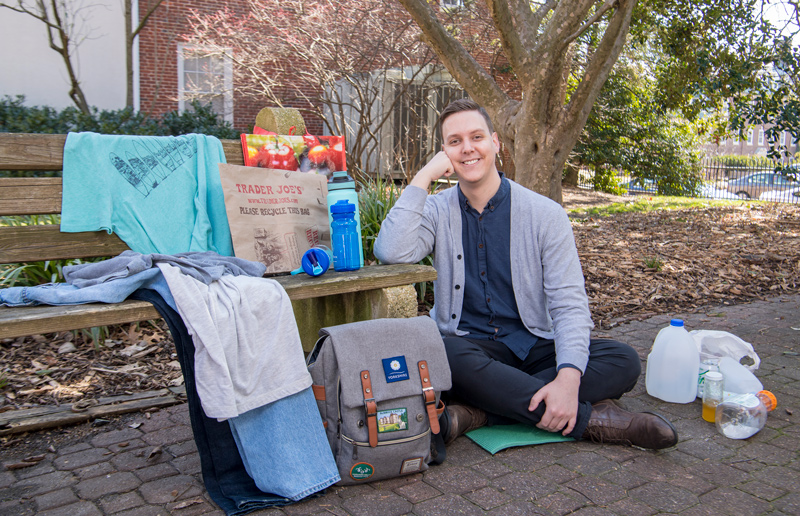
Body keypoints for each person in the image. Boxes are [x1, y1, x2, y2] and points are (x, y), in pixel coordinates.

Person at [374, 99, 678, 450]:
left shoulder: (545, 215)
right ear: (445, 152)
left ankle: (481, 412)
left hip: (533, 343)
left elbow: (569, 305)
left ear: (496, 142)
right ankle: (591, 421)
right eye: (455, 141)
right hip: (469, 348)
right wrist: (424, 176)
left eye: (476, 136)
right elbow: (390, 251)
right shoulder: (437, 211)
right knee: (445, 356)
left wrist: (566, 379)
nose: (467, 148)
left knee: (622, 361)